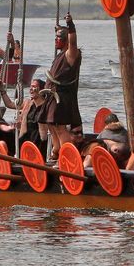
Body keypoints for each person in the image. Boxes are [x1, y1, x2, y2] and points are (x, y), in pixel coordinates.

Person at [38, 14, 82, 160]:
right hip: (52, 95)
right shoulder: (60, 55)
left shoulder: (71, 54)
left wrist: (70, 25)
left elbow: (73, 41)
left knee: (60, 127)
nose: (56, 40)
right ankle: (57, 150)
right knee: (51, 124)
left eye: (59, 38)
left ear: (66, 40)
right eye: (55, 38)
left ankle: (67, 157)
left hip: (61, 97)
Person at [15, 78, 48, 150]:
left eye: (34, 86)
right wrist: (2, 91)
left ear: (41, 90)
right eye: (30, 86)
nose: (31, 89)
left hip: (39, 143)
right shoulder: (29, 104)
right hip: (26, 141)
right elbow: (11, 104)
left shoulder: (47, 106)